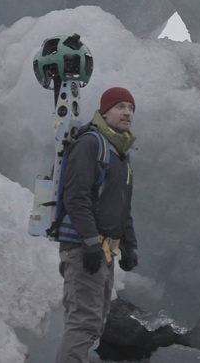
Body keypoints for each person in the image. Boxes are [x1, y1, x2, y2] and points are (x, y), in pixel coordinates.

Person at [55, 86, 139, 363]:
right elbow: (75, 196)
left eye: (131, 108)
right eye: (120, 107)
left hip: (105, 251)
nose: (127, 112)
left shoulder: (120, 154)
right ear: (105, 111)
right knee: (83, 322)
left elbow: (121, 207)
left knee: (94, 322)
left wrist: (128, 245)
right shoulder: (91, 143)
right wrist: (90, 241)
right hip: (84, 248)